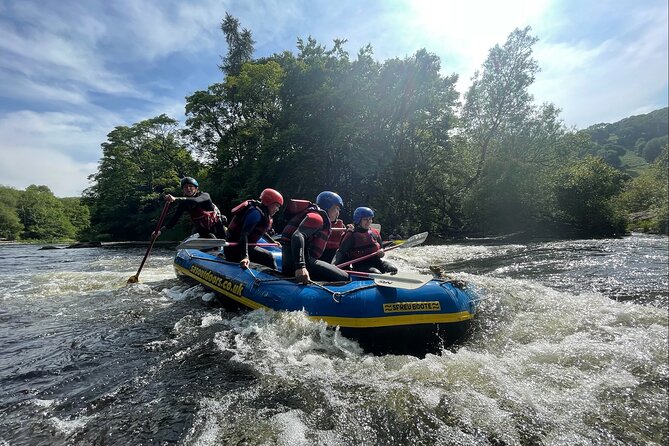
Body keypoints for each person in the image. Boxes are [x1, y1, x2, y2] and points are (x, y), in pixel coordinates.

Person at [279, 191, 350, 284]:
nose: (338, 213)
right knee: (345, 277)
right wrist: (301, 267)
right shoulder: (316, 218)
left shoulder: (315, 215)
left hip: (294, 262)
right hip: (299, 264)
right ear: (327, 207)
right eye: (336, 208)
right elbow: (297, 236)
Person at [224, 188, 283, 269]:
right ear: (268, 202)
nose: (277, 209)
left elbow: (260, 231)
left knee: (269, 257)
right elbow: (244, 234)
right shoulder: (255, 214)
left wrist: (272, 241)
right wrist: (245, 257)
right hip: (234, 249)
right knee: (269, 257)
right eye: (276, 205)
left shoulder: (262, 213)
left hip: (243, 246)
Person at [153, 177, 227, 239]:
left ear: (196, 188)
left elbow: (196, 201)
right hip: (202, 229)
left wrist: (176, 198)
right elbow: (174, 219)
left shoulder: (205, 196)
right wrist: (160, 231)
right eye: (185, 187)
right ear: (183, 190)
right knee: (211, 241)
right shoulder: (184, 204)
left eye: (191, 186)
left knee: (223, 239)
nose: (188, 189)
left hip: (217, 225)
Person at [333, 207, 397, 274]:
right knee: (376, 273)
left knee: (393, 269)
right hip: (361, 266)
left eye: (370, 219)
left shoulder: (375, 232)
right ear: (358, 220)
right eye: (365, 219)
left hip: (377, 262)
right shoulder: (351, 235)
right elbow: (340, 252)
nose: (368, 221)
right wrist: (333, 265)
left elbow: (381, 248)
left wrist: (381, 252)